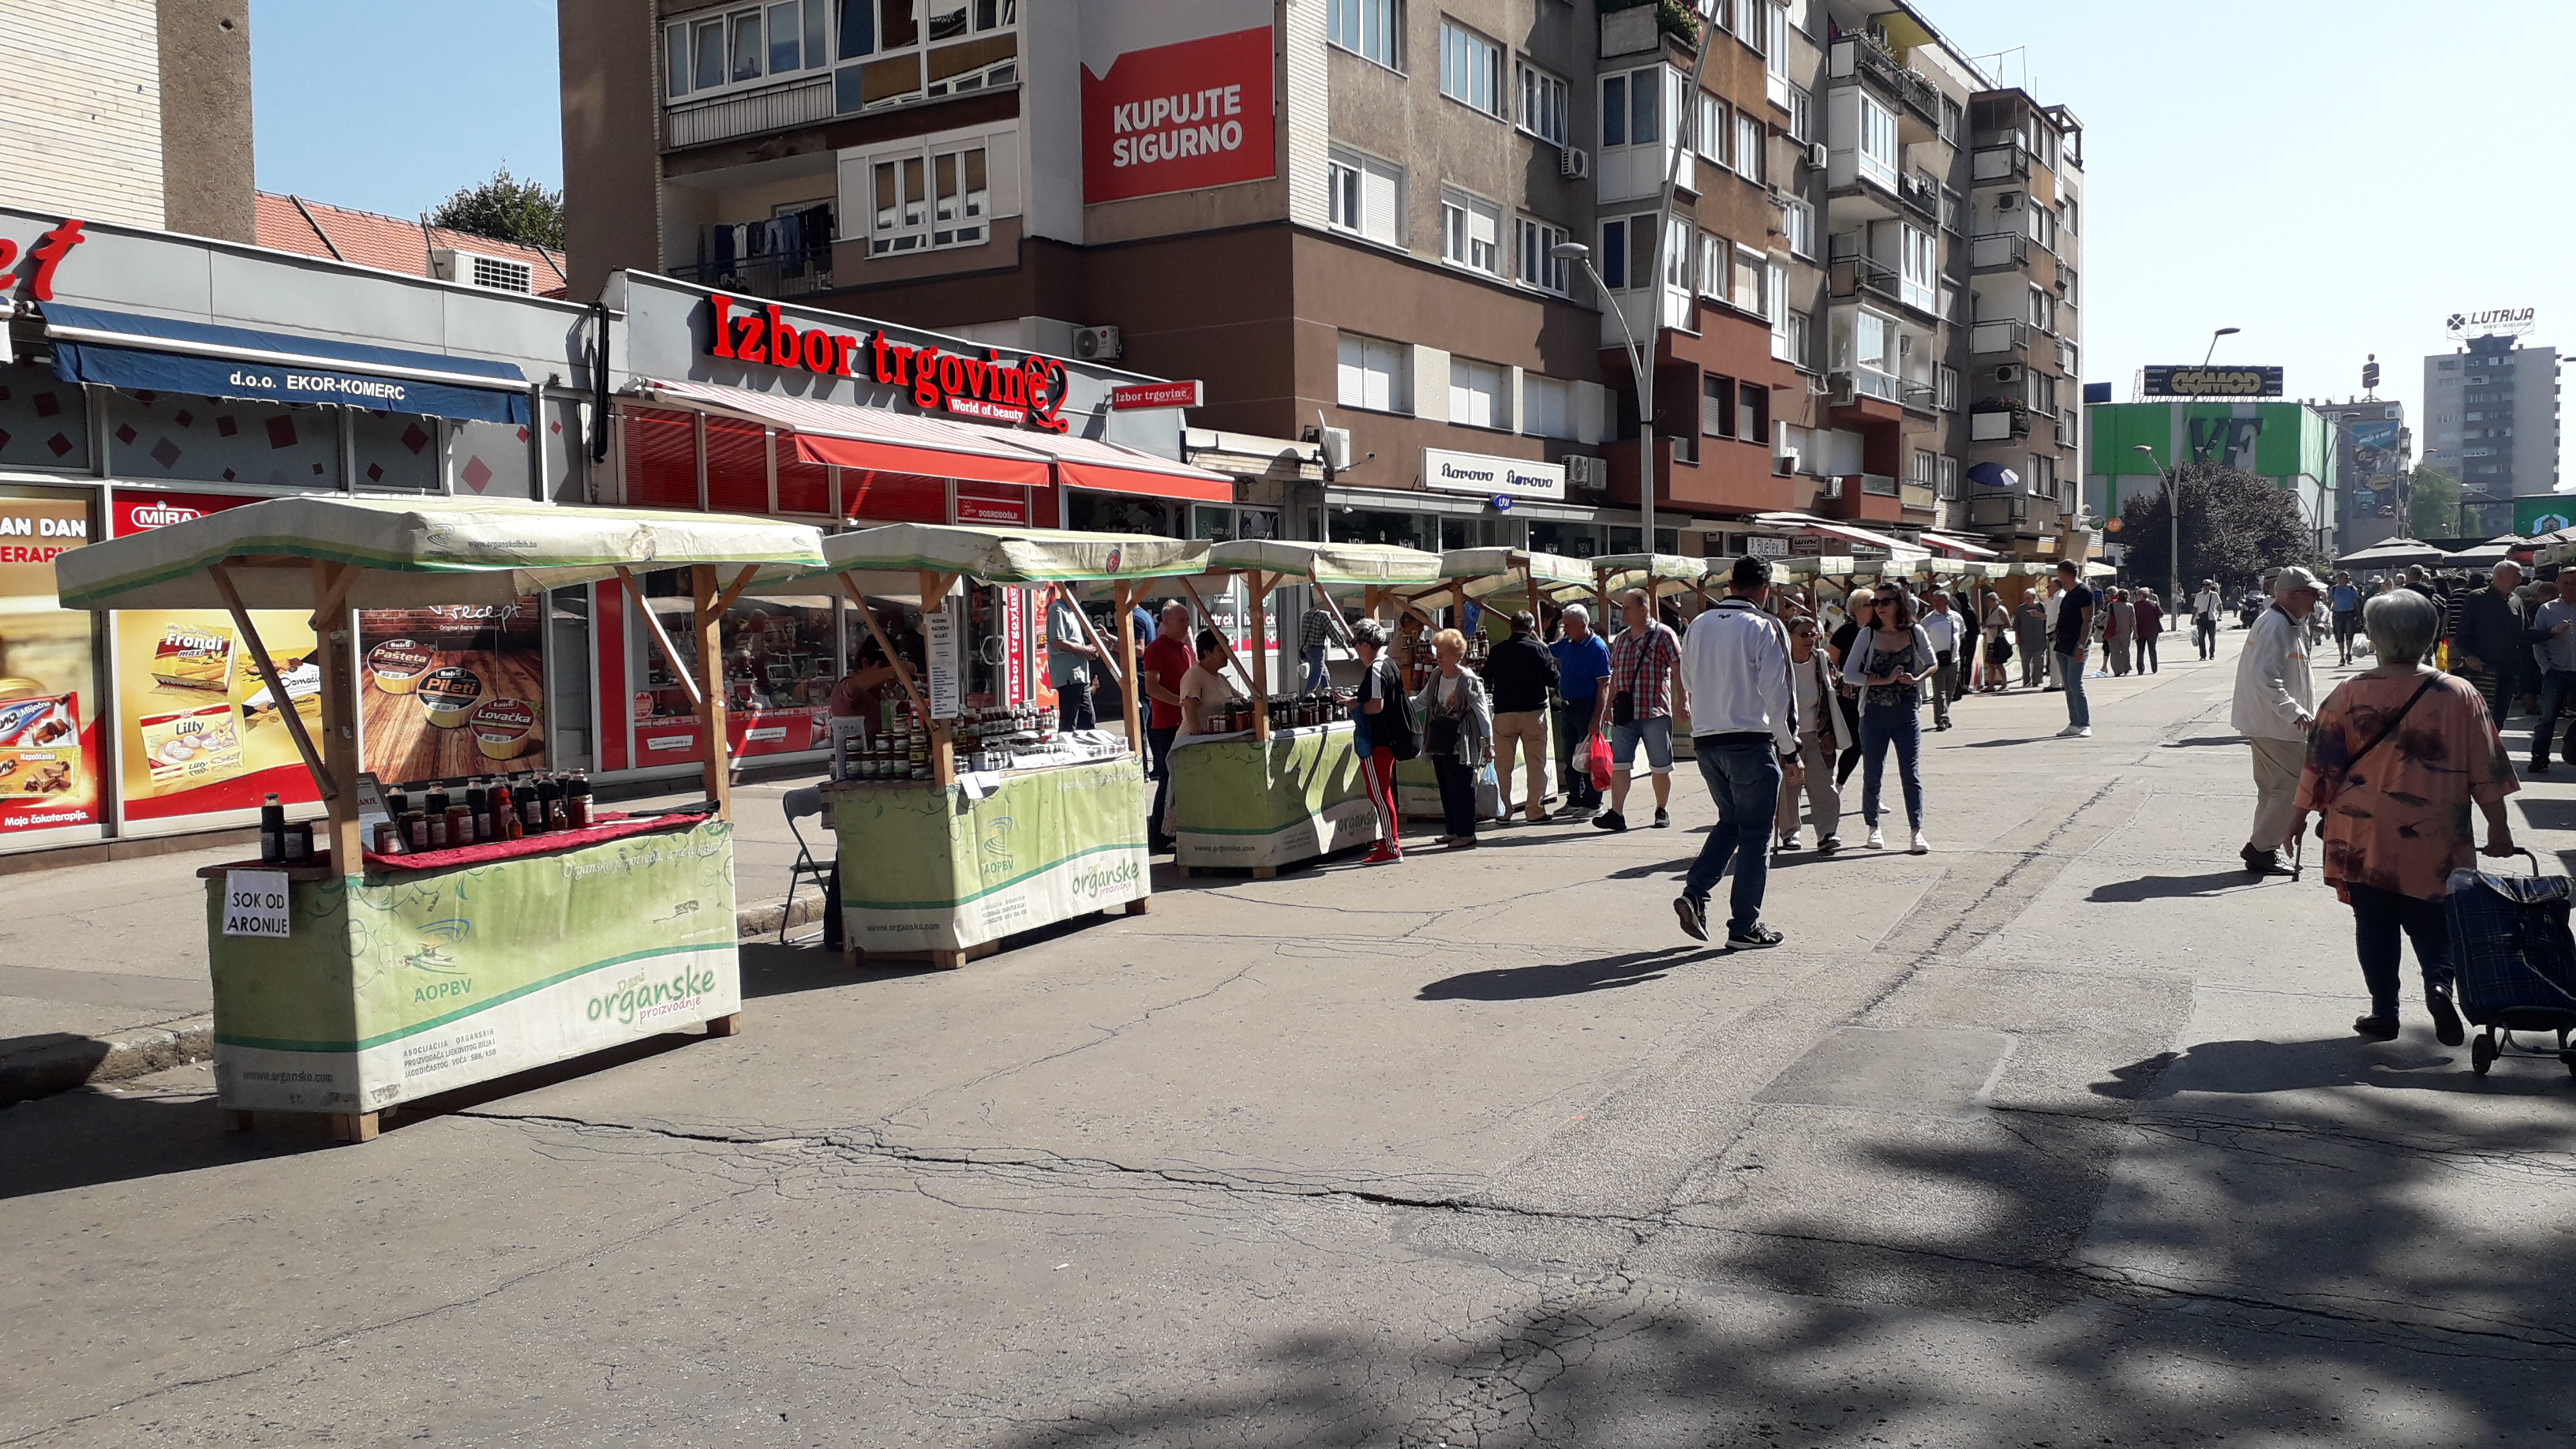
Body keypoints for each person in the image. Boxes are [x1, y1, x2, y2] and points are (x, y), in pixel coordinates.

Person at [2291, 590, 2518, 1043]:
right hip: (2436, 832)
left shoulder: (2349, 693)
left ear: (2375, 636)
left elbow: (2320, 766)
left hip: (2362, 831)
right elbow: (2487, 768)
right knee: (2435, 917)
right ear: (2429, 634)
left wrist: (2297, 818)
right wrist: (2499, 826)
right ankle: (2439, 984)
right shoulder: (2460, 693)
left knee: (2374, 923)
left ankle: (2384, 1012)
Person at [1673, 555, 1802, 948]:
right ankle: (1744, 924)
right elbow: (1779, 694)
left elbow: (1688, 681)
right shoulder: (1765, 625)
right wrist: (1790, 749)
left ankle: (1696, 891)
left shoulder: (1698, 625)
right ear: (1765, 589)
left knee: (1731, 821)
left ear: (1731, 585)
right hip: (1750, 738)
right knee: (1756, 834)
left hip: (1707, 740)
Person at [2231, 565, 2320, 876]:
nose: (2318, 599)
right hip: (2278, 725)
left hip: (2272, 723)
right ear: (2292, 595)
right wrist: (2294, 712)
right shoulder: (2277, 625)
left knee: (2273, 790)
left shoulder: (2286, 623)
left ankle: (2263, 848)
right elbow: (2263, 677)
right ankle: (2261, 849)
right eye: (2312, 593)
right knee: (2291, 789)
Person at [1842, 580, 1934, 854]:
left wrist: (1917, 678)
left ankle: (1916, 831)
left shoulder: (1915, 632)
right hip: (1873, 713)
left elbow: (1932, 663)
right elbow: (1849, 674)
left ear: (1899, 603)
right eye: (1875, 602)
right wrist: (1883, 680)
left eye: (1885, 601)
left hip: (1906, 712)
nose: (1879, 607)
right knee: (1873, 772)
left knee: (1911, 773)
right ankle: (1873, 827)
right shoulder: (1867, 635)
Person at [1595, 589, 1686, 833]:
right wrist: (1608, 706)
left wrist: (1683, 701)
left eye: (1627, 608)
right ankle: (1617, 813)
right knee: (1620, 764)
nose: (1622, 612)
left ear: (1644, 609)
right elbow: (1616, 675)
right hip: (1625, 713)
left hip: (1654, 711)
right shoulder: (1621, 639)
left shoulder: (1664, 635)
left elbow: (1678, 670)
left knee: (1660, 766)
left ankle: (1661, 809)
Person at [1413, 627, 1494, 849]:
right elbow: (1421, 701)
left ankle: (1466, 833)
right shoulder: (1436, 675)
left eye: (1442, 653)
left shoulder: (1469, 680)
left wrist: (1489, 743)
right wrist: (1398, 706)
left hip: (1461, 741)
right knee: (1446, 786)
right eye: (1437, 652)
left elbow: (1482, 714)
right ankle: (1453, 830)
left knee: (1461, 787)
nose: (1437, 657)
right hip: (1439, 737)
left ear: (1457, 656)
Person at [1775, 612, 1848, 853]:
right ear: (1790, 636)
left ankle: (1827, 833)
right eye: (1803, 634)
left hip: (1819, 734)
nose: (1809, 639)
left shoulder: (1821, 659)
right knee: (1789, 785)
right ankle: (1790, 833)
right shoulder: (1779, 662)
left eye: (1813, 634)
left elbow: (1837, 683)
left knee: (1823, 784)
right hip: (1786, 734)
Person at [1161, 627, 1241, 840]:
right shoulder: (1194, 675)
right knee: (1193, 802)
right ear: (1207, 653)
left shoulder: (1221, 678)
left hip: (1216, 746)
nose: (1227, 653)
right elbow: (1190, 707)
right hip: (1194, 746)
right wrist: (1198, 734)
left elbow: (1240, 700)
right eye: (1221, 649)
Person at [1483, 610, 1558, 824]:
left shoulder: (1499, 650)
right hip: (1534, 713)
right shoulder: (1540, 649)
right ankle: (1534, 811)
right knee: (1536, 764)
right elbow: (1554, 679)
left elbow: (1485, 677)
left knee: (1503, 766)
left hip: (1504, 714)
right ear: (1532, 628)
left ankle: (1505, 811)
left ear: (1511, 626)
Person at [1139, 601, 1194, 852]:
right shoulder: (1156, 649)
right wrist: (1179, 702)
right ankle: (1157, 834)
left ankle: (1173, 829)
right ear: (1167, 623)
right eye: (1181, 620)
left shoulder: (1184, 649)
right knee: (1167, 779)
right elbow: (1152, 686)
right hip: (1166, 724)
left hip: (1184, 721)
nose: (1186, 624)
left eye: (1187, 620)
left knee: (1180, 781)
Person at [1350, 620, 1406, 865]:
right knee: (1384, 793)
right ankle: (1389, 841)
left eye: (1356, 643)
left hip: (1377, 741)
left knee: (1380, 795)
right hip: (1387, 739)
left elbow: (1375, 705)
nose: (1355, 648)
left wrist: (1355, 705)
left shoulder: (1376, 668)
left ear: (1364, 644)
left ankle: (1392, 847)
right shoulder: (1390, 664)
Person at [2450, 560, 2526, 723]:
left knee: (2500, 714)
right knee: (2479, 714)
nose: (2519, 581)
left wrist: (2551, 632)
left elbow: (2525, 632)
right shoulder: (2477, 598)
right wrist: (2469, 656)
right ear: (2500, 576)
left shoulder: (2516, 600)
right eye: (2516, 576)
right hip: (2482, 668)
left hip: (2508, 668)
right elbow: (2462, 633)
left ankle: (2494, 739)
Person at [2525, 569, 2576, 773]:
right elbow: (2538, 641)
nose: (2570, 587)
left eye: (2574, 582)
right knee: (2547, 718)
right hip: (2556, 671)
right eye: (2566, 582)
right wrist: (2545, 668)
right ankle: (2539, 758)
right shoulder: (2546, 609)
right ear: (2558, 584)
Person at [1827, 587, 1877, 784]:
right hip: (1849, 698)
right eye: (1870, 604)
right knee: (1853, 744)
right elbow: (1831, 666)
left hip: (1875, 696)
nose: (1875, 608)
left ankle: (1853, 786)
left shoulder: (1880, 632)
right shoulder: (1845, 633)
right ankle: (1835, 784)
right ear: (1856, 609)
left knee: (1867, 746)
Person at [2053, 560, 2095, 737]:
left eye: (2059, 574)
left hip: (2076, 644)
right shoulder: (2068, 593)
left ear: (2065, 574)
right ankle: (2074, 723)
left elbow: (2088, 621)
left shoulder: (2084, 592)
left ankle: (2084, 724)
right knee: (2068, 686)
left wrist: (2081, 646)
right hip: (2063, 644)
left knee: (2076, 684)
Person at [1048, 590, 1100, 732]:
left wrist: (1089, 649)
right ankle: (1065, 743)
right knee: (1069, 722)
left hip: (1081, 675)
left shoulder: (1073, 611)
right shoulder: (1057, 609)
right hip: (1069, 676)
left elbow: (1074, 641)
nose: (1082, 593)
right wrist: (1085, 650)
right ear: (1071, 590)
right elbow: (1058, 642)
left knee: (1088, 721)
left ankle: (1086, 744)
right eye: (1080, 589)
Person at [1918, 590, 1961, 730]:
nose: (1934, 603)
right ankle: (1941, 718)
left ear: (1947, 602)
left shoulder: (1956, 617)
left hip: (1954, 659)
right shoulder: (1928, 620)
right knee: (1939, 691)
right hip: (1936, 661)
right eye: (1934, 600)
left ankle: (1944, 715)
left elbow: (1961, 634)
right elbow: (1921, 641)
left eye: (1938, 600)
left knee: (1950, 691)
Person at [1298, 597, 1338, 693]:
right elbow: (1333, 633)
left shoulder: (1306, 615)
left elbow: (1303, 634)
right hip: (1318, 648)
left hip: (1307, 648)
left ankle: (1327, 690)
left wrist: (1304, 646)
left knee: (1323, 671)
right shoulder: (1323, 615)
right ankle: (1309, 694)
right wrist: (1345, 647)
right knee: (1316, 674)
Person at [2014, 592, 2050, 688]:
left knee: (2038, 661)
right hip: (2025, 639)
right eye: (2025, 598)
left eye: (2029, 598)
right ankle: (2026, 681)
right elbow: (2016, 624)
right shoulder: (2021, 609)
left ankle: (2036, 681)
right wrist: (2017, 636)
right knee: (2025, 662)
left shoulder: (2041, 606)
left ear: (2034, 597)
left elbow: (2048, 618)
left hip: (2039, 638)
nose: (2027, 600)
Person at [2327, 571, 2363, 666]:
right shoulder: (2334, 589)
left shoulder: (2352, 589)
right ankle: (2342, 657)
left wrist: (2358, 617)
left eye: (2348, 578)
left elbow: (2356, 603)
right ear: (2340, 579)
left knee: (2349, 635)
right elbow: (2329, 602)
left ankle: (2349, 653)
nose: (2347, 580)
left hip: (2349, 614)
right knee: (2339, 636)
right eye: (2345, 578)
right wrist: (2327, 616)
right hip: (2338, 614)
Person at [2102, 587, 2135, 677]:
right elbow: (2133, 621)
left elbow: (2107, 619)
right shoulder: (2130, 606)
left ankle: (2117, 670)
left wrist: (2105, 630)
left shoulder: (2111, 605)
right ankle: (2126, 667)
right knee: (2125, 650)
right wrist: (2136, 632)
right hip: (2126, 632)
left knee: (2114, 652)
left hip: (2113, 631)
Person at [2192, 578, 2224, 660]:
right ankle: (2202, 655)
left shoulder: (2214, 595)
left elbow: (2220, 605)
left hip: (2211, 619)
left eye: (2208, 585)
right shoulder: (2199, 595)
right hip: (2201, 619)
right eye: (2204, 585)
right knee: (2201, 638)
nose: (2206, 587)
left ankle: (2212, 654)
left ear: (2210, 586)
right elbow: (2196, 608)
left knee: (2212, 638)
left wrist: (2220, 615)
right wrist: (2193, 619)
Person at [2135, 588, 2164, 675]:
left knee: (2141, 650)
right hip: (2152, 630)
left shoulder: (2136, 605)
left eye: (2139, 595)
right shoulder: (2154, 604)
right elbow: (2161, 614)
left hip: (2141, 630)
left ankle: (2141, 669)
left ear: (2144, 596)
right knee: (2152, 649)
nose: (2137, 597)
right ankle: (2154, 668)